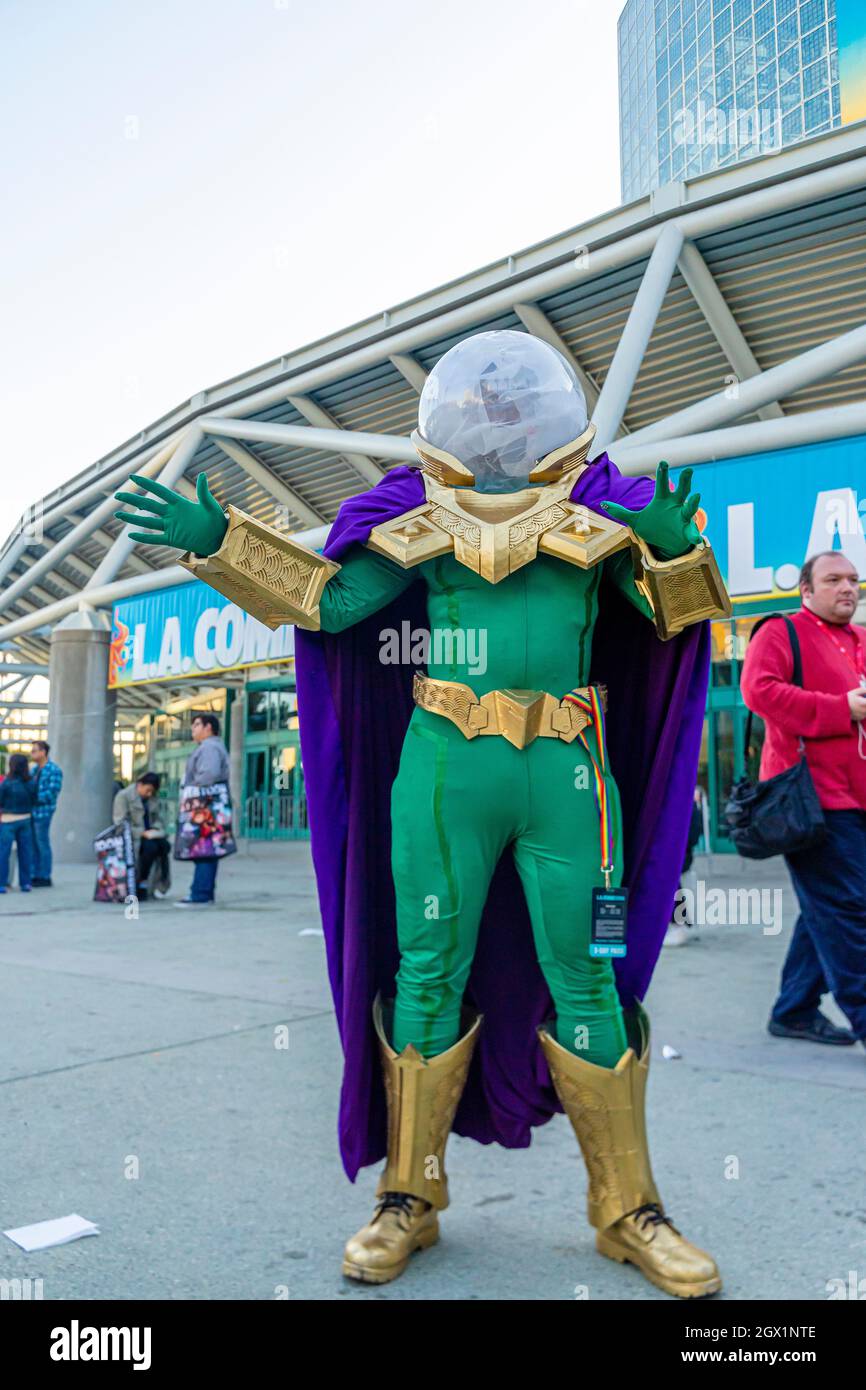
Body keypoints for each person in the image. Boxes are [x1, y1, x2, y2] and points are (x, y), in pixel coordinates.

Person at [115, 329, 731, 1298]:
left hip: (569, 774)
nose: (501, 420)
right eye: (485, 403)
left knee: (588, 979)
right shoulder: (417, 513)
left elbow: (677, 621)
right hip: (445, 770)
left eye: (515, 403)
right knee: (426, 972)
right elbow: (327, 603)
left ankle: (628, 1209)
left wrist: (671, 547)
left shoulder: (601, 511)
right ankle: (410, 1194)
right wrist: (220, 543)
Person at [741, 551, 866, 1049]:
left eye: (853, 580)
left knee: (829, 907)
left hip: (857, 798)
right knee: (850, 909)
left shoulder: (860, 639)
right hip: (814, 800)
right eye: (834, 579)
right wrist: (841, 708)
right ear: (806, 590)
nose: (848, 588)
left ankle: (793, 1010)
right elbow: (758, 692)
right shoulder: (781, 631)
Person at [177, 713, 230, 906]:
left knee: (204, 849)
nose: (193, 729)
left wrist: (191, 789)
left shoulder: (209, 748)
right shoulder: (212, 747)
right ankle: (202, 892)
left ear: (208, 728)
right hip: (209, 806)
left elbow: (208, 774)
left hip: (204, 806)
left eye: (196, 725)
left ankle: (200, 894)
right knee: (206, 849)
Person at [112, 771, 171, 900]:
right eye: (147, 790)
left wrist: (156, 830)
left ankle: (162, 883)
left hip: (150, 835)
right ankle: (141, 882)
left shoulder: (152, 799)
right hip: (133, 838)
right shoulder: (123, 796)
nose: (149, 794)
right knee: (150, 848)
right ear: (139, 785)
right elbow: (120, 824)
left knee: (165, 846)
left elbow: (158, 819)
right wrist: (142, 832)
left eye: (152, 792)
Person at [664, 786, 705, 948]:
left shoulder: (688, 805)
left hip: (679, 854)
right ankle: (678, 924)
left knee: (670, 882)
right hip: (676, 853)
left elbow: (692, 835)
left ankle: (679, 924)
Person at [0, 753, 36, 893]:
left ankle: (2, 884)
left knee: (4, 853)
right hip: (25, 819)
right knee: (25, 853)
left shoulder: (6, 782)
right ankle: (25, 883)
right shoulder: (31, 782)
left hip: (8, 820)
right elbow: (35, 799)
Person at [30, 740, 63, 887]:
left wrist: (32, 797)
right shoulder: (34, 770)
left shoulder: (54, 770)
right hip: (32, 812)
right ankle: (35, 875)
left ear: (43, 752)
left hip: (43, 813)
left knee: (42, 843)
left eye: (34, 750)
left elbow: (51, 793)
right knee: (33, 844)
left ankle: (44, 876)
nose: (32, 753)